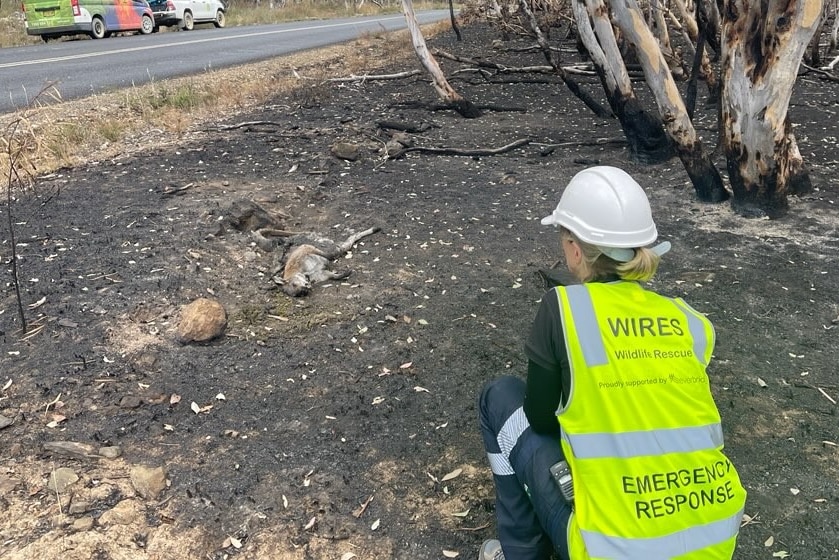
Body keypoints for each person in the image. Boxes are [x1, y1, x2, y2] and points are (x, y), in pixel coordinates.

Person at [477, 166, 747, 560]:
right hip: (712, 537)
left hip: (612, 548)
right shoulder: (690, 322)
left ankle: (521, 551)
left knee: (498, 397)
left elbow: (540, 419)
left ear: (573, 248)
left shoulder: (563, 311)